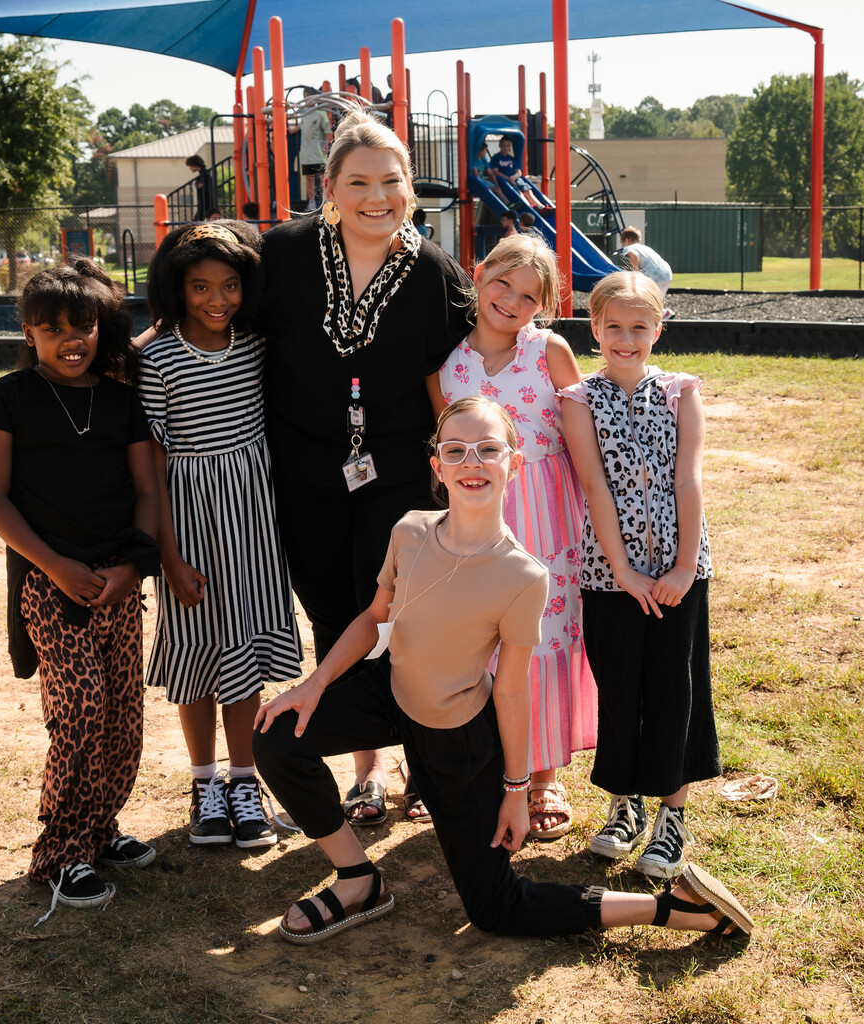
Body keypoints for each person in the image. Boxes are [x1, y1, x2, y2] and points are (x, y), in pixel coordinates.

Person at [252, 397, 753, 945]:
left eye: (488, 449)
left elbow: (512, 693)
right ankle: (357, 878)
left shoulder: (521, 574)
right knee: (278, 735)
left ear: (514, 463)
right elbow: (374, 618)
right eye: (456, 450)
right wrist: (313, 685)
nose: (473, 462)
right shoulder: (410, 531)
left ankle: (671, 908)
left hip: (457, 738)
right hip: (391, 695)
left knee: (495, 907)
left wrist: (517, 789)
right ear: (436, 465)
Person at [257, 110, 473, 827]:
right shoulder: (284, 253)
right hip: (305, 470)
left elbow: (476, 356)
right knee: (331, 608)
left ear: (410, 187)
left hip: (400, 474)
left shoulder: (436, 271)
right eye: (359, 182)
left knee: (402, 615)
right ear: (330, 186)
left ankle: (422, 758)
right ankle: (365, 770)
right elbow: (218, 320)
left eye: (391, 181)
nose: (376, 196)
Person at [0, 259, 161, 922]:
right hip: (51, 586)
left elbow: (147, 490)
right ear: (29, 332)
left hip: (117, 581)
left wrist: (132, 570)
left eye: (81, 326)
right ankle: (58, 852)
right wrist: (53, 567)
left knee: (122, 717)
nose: (69, 339)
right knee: (81, 712)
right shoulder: (8, 398)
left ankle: (100, 831)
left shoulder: (119, 400)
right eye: (52, 328)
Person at [137, 221, 302, 849]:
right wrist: (168, 556)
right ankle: (204, 783)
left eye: (230, 285)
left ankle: (243, 780)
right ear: (176, 289)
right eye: (200, 286)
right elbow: (153, 462)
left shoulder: (258, 343)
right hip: (190, 519)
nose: (216, 299)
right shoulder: (156, 357)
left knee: (244, 650)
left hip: (253, 520)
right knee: (197, 651)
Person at [434, 235, 596, 841]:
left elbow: (585, 445)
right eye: (503, 283)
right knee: (481, 646)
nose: (512, 300)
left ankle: (545, 775)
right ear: (479, 275)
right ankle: (483, 769)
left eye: (530, 296)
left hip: (548, 526)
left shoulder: (549, 352)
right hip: (479, 524)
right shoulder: (448, 363)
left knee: (542, 640)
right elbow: (443, 447)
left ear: (543, 307)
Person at [559, 271, 719, 880]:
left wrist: (681, 566)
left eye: (639, 327)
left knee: (675, 688)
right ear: (594, 328)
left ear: (659, 328)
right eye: (614, 327)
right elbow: (593, 484)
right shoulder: (578, 400)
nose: (626, 339)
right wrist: (622, 570)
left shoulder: (681, 392)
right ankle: (624, 804)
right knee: (620, 687)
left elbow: (689, 479)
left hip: (681, 570)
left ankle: (672, 812)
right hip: (610, 573)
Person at [295, 87, 331, 211]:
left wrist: (326, 145)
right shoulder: (303, 113)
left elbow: (328, 131)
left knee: (322, 177)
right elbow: (302, 126)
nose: (306, 99)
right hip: (306, 152)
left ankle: (325, 201)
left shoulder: (320, 113)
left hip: (318, 151)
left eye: (308, 96)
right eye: (305, 96)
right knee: (308, 177)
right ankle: (312, 203)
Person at [488, 137, 543, 211]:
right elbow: (495, 171)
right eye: (503, 145)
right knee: (519, 192)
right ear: (500, 146)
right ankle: (531, 208)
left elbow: (518, 171)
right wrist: (508, 179)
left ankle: (541, 207)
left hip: (514, 179)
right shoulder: (496, 158)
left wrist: (513, 178)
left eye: (507, 146)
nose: (506, 148)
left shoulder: (511, 158)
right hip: (505, 181)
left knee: (528, 191)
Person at [618, 226, 673, 296]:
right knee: (658, 300)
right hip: (667, 273)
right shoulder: (646, 248)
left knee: (645, 299)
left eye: (623, 243)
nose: (623, 245)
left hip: (653, 275)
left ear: (627, 240)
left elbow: (634, 256)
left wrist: (635, 273)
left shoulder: (629, 248)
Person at [186, 155, 218, 221]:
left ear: (196, 165)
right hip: (205, 203)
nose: (190, 168)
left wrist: (199, 186)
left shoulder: (204, 176)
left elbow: (205, 189)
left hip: (205, 204)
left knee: (196, 222)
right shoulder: (204, 175)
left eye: (190, 165)